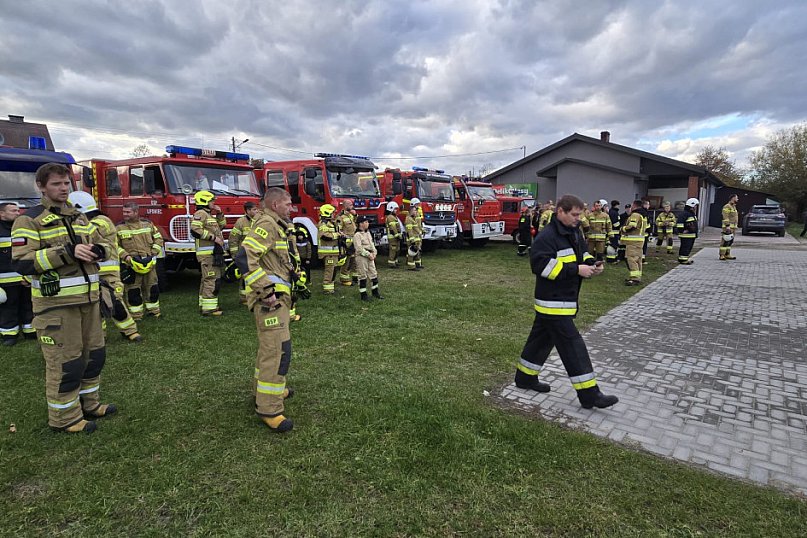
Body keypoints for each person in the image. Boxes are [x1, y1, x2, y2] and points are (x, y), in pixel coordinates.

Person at [11, 162, 115, 433]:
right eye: (56, 184)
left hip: (89, 301)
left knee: (94, 356)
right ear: (41, 186)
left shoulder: (79, 216)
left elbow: (102, 244)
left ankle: (89, 404)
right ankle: (64, 418)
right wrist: (68, 252)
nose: (63, 188)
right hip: (56, 307)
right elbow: (22, 262)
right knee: (66, 362)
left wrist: (99, 251)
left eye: (66, 183)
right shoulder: (28, 220)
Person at [513, 194, 618, 410]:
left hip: (561, 301)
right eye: (574, 214)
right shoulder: (547, 237)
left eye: (580, 215)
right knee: (573, 346)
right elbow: (541, 267)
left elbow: (582, 253)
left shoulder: (573, 231)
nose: (578, 219)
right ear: (560, 211)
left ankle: (524, 378)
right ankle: (590, 395)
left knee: (540, 340)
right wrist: (576, 270)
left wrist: (591, 263)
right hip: (553, 303)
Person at [241, 188, 299, 433]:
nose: (291, 207)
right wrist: (266, 291)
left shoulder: (276, 223)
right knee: (276, 352)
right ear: (275, 204)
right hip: (270, 302)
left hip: (279, 300)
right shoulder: (267, 223)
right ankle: (269, 408)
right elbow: (244, 257)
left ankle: (267, 389)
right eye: (287, 203)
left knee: (274, 349)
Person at [67, 192, 141, 343]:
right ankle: (100, 335)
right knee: (95, 305)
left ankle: (130, 331)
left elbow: (84, 234)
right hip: (93, 271)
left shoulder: (102, 221)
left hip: (107, 273)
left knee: (113, 301)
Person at [117, 203, 164, 319]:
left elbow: (158, 238)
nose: (125, 214)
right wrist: (126, 256)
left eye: (128, 212)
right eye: (124, 212)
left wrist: (154, 252)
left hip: (148, 262)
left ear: (136, 212)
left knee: (152, 287)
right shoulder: (119, 228)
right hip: (131, 264)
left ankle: (154, 312)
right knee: (133, 291)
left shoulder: (148, 224)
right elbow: (114, 246)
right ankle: (136, 315)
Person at [0, 202, 35, 345]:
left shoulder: (23, 229)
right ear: (2, 214)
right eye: (13, 210)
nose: (18, 213)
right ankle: (9, 335)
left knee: (28, 304)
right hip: (5, 281)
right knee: (8, 308)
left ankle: (30, 331)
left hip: (24, 277)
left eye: (18, 210)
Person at [190, 190, 226, 315]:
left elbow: (221, 227)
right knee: (212, 279)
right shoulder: (200, 213)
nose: (214, 203)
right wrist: (213, 238)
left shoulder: (209, 215)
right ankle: (209, 308)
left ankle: (204, 304)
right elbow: (195, 230)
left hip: (212, 253)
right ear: (204, 201)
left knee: (207, 279)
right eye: (212, 201)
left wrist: (220, 213)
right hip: (207, 254)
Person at [230, 201, 259, 304]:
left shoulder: (259, 221)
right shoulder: (240, 222)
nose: (257, 211)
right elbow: (233, 239)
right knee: (245, 276)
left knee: (257, 276)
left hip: (257, 254)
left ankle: (256, 296)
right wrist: (235, 255)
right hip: (244, 254)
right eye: (254, 209)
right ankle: (244, 298)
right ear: (248, 211)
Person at [354, 215, 383, 301]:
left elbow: (372, 244)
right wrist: (368, 254)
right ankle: (363, 295)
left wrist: (374, 252)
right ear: (360, 224)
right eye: (365, 222)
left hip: (370, 256)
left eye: (367, 222)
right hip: (362, 257)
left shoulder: (368, 233)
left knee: (373, 274)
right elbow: (359, 248)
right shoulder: (357, 235)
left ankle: (375, 292)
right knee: (362, 275)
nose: (367, 224)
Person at [622, 200, 646, 286]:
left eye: (632, 205)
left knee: (631, 259)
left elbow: (632, 226)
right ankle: (637, 277)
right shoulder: (643, 215)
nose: (631, 207)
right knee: (638, 259)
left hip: (633, 241)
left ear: (635, 206)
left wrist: (623, 229)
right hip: (639, 241)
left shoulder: (635, 215)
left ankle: (635, 279)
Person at [317, 204, 340, 294]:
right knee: (329, 270)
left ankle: (331, 287)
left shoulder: (331, 223)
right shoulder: (323, 223)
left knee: (333, 270)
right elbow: (324, 236)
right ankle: (327, 289)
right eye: (332, 213)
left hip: (333, 252)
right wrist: (336, 235)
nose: (334, 215)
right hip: (328, 252)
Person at [338, 200, 358, 286]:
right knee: (347, 262)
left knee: (355, 261)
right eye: (350, 204)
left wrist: (355, 215)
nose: (352, 206)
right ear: (345, 206)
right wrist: (344, 237)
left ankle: (355, 277)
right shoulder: (341, 217)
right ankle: (344, 279)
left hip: (354, 241)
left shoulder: (351, 215)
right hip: (346, 243)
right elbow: (339, 230)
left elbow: (356, 224)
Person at [677, 198, 699, 264]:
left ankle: (685, 258)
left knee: (688, 247)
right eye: (695, 205)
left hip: (691, 235)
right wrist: (682, 230)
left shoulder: (691, 214)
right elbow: (680, 224)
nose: (696, 207)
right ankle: (683, 260)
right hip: (686, 235)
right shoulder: (684, 214)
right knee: (685, 247)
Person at [405, 198, 424, 270]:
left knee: (417, 251)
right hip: (412, 238)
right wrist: (412, 240)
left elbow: (418, 226)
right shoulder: (409, 218)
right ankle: (411, 266)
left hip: (417, 237)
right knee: (411, 252)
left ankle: (418, 264)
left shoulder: (415, 216)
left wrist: (421, 231)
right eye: (416, 206)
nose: (417, 207)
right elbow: (410, 231)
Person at [720, 194, 739, 260]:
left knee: (730, 241)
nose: (737, 199)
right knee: (725, 241)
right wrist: (727, 226)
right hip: (728, 227)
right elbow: (725, 217)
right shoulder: (727, 206)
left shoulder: (733, 206)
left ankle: (727, 254)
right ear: (733, 198)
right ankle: (722, 255)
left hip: (733, 227)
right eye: (736, 198)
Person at [385, 201, 403, 267]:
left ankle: (395, 261)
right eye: (395, 209)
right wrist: (397, 235)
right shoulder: (390, 217)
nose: (396, 210)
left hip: (395, 236)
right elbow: (393, 228)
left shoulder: (394, 217)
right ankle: (391, 263)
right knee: (393, 250)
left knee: (397, 249)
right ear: (391, 208)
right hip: (392, 237)